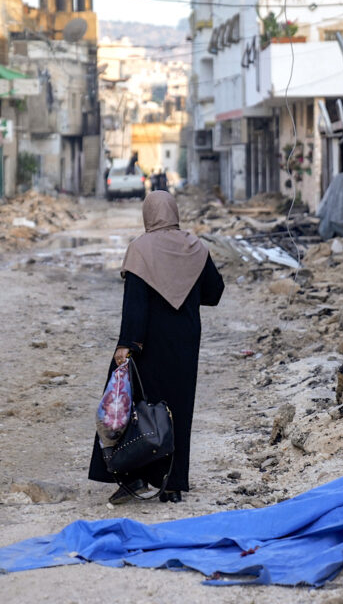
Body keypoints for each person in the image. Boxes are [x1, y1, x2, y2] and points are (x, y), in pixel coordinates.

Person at [88, 190, 224, 505]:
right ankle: (173, 485)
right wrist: (184, 292)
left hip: (147, 342)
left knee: (136, 409)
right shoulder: (196, 247)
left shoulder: (140, 249)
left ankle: (133, 475)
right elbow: (214, 292)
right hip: (185, 341)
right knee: (177, 410)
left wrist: (126, 344)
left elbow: (135, 303)